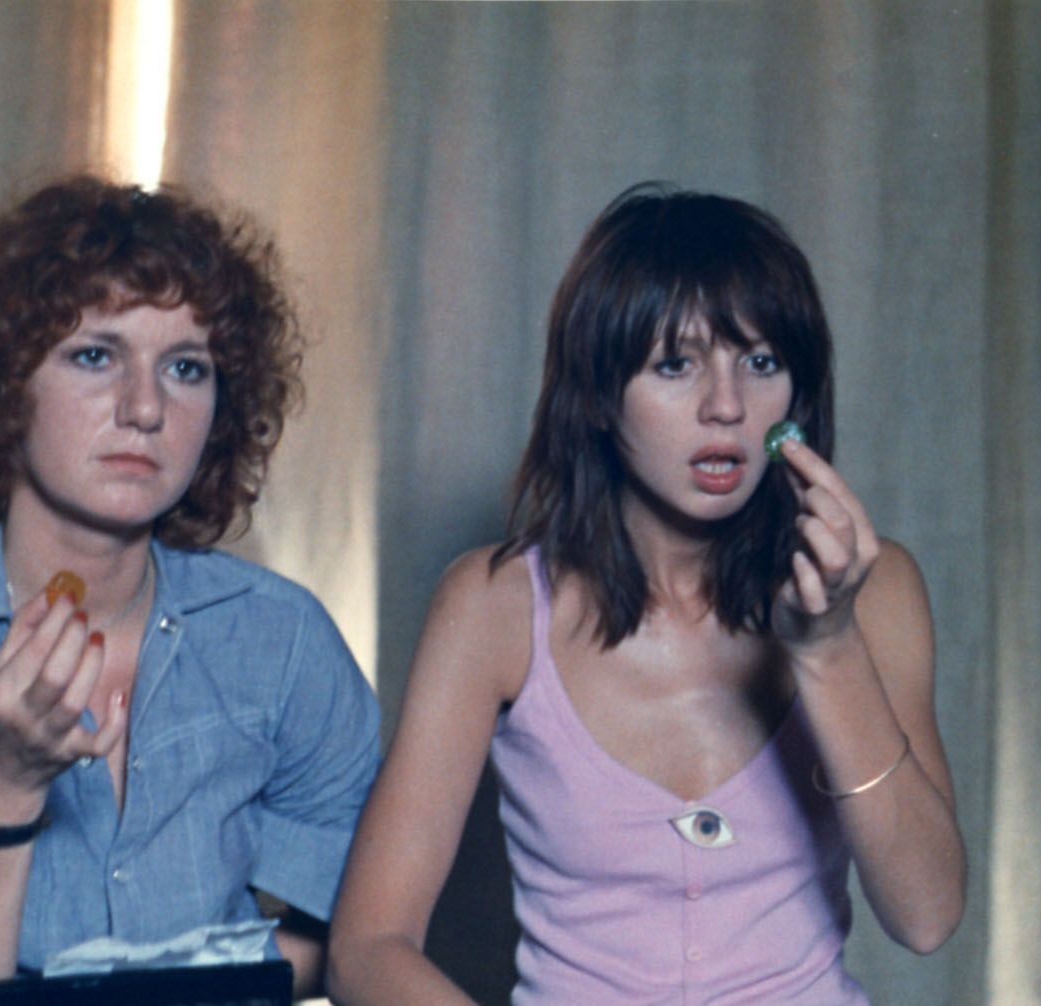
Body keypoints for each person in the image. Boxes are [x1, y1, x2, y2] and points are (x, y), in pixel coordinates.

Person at [327, 184, 965, 1004]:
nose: (725, 407)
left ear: (796, 400)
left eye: (760, 363)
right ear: (597, 393)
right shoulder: (493, 606)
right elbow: (367, 948)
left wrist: (827, 647)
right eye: (675, 364)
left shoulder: (876, 593)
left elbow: (926, 916)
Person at [0, 176, 380, 1006]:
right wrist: (2, 784)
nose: (145, 408)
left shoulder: (283, 641)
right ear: (0, 384)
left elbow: (367, 939)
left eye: (186, 368)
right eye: (95, 356)